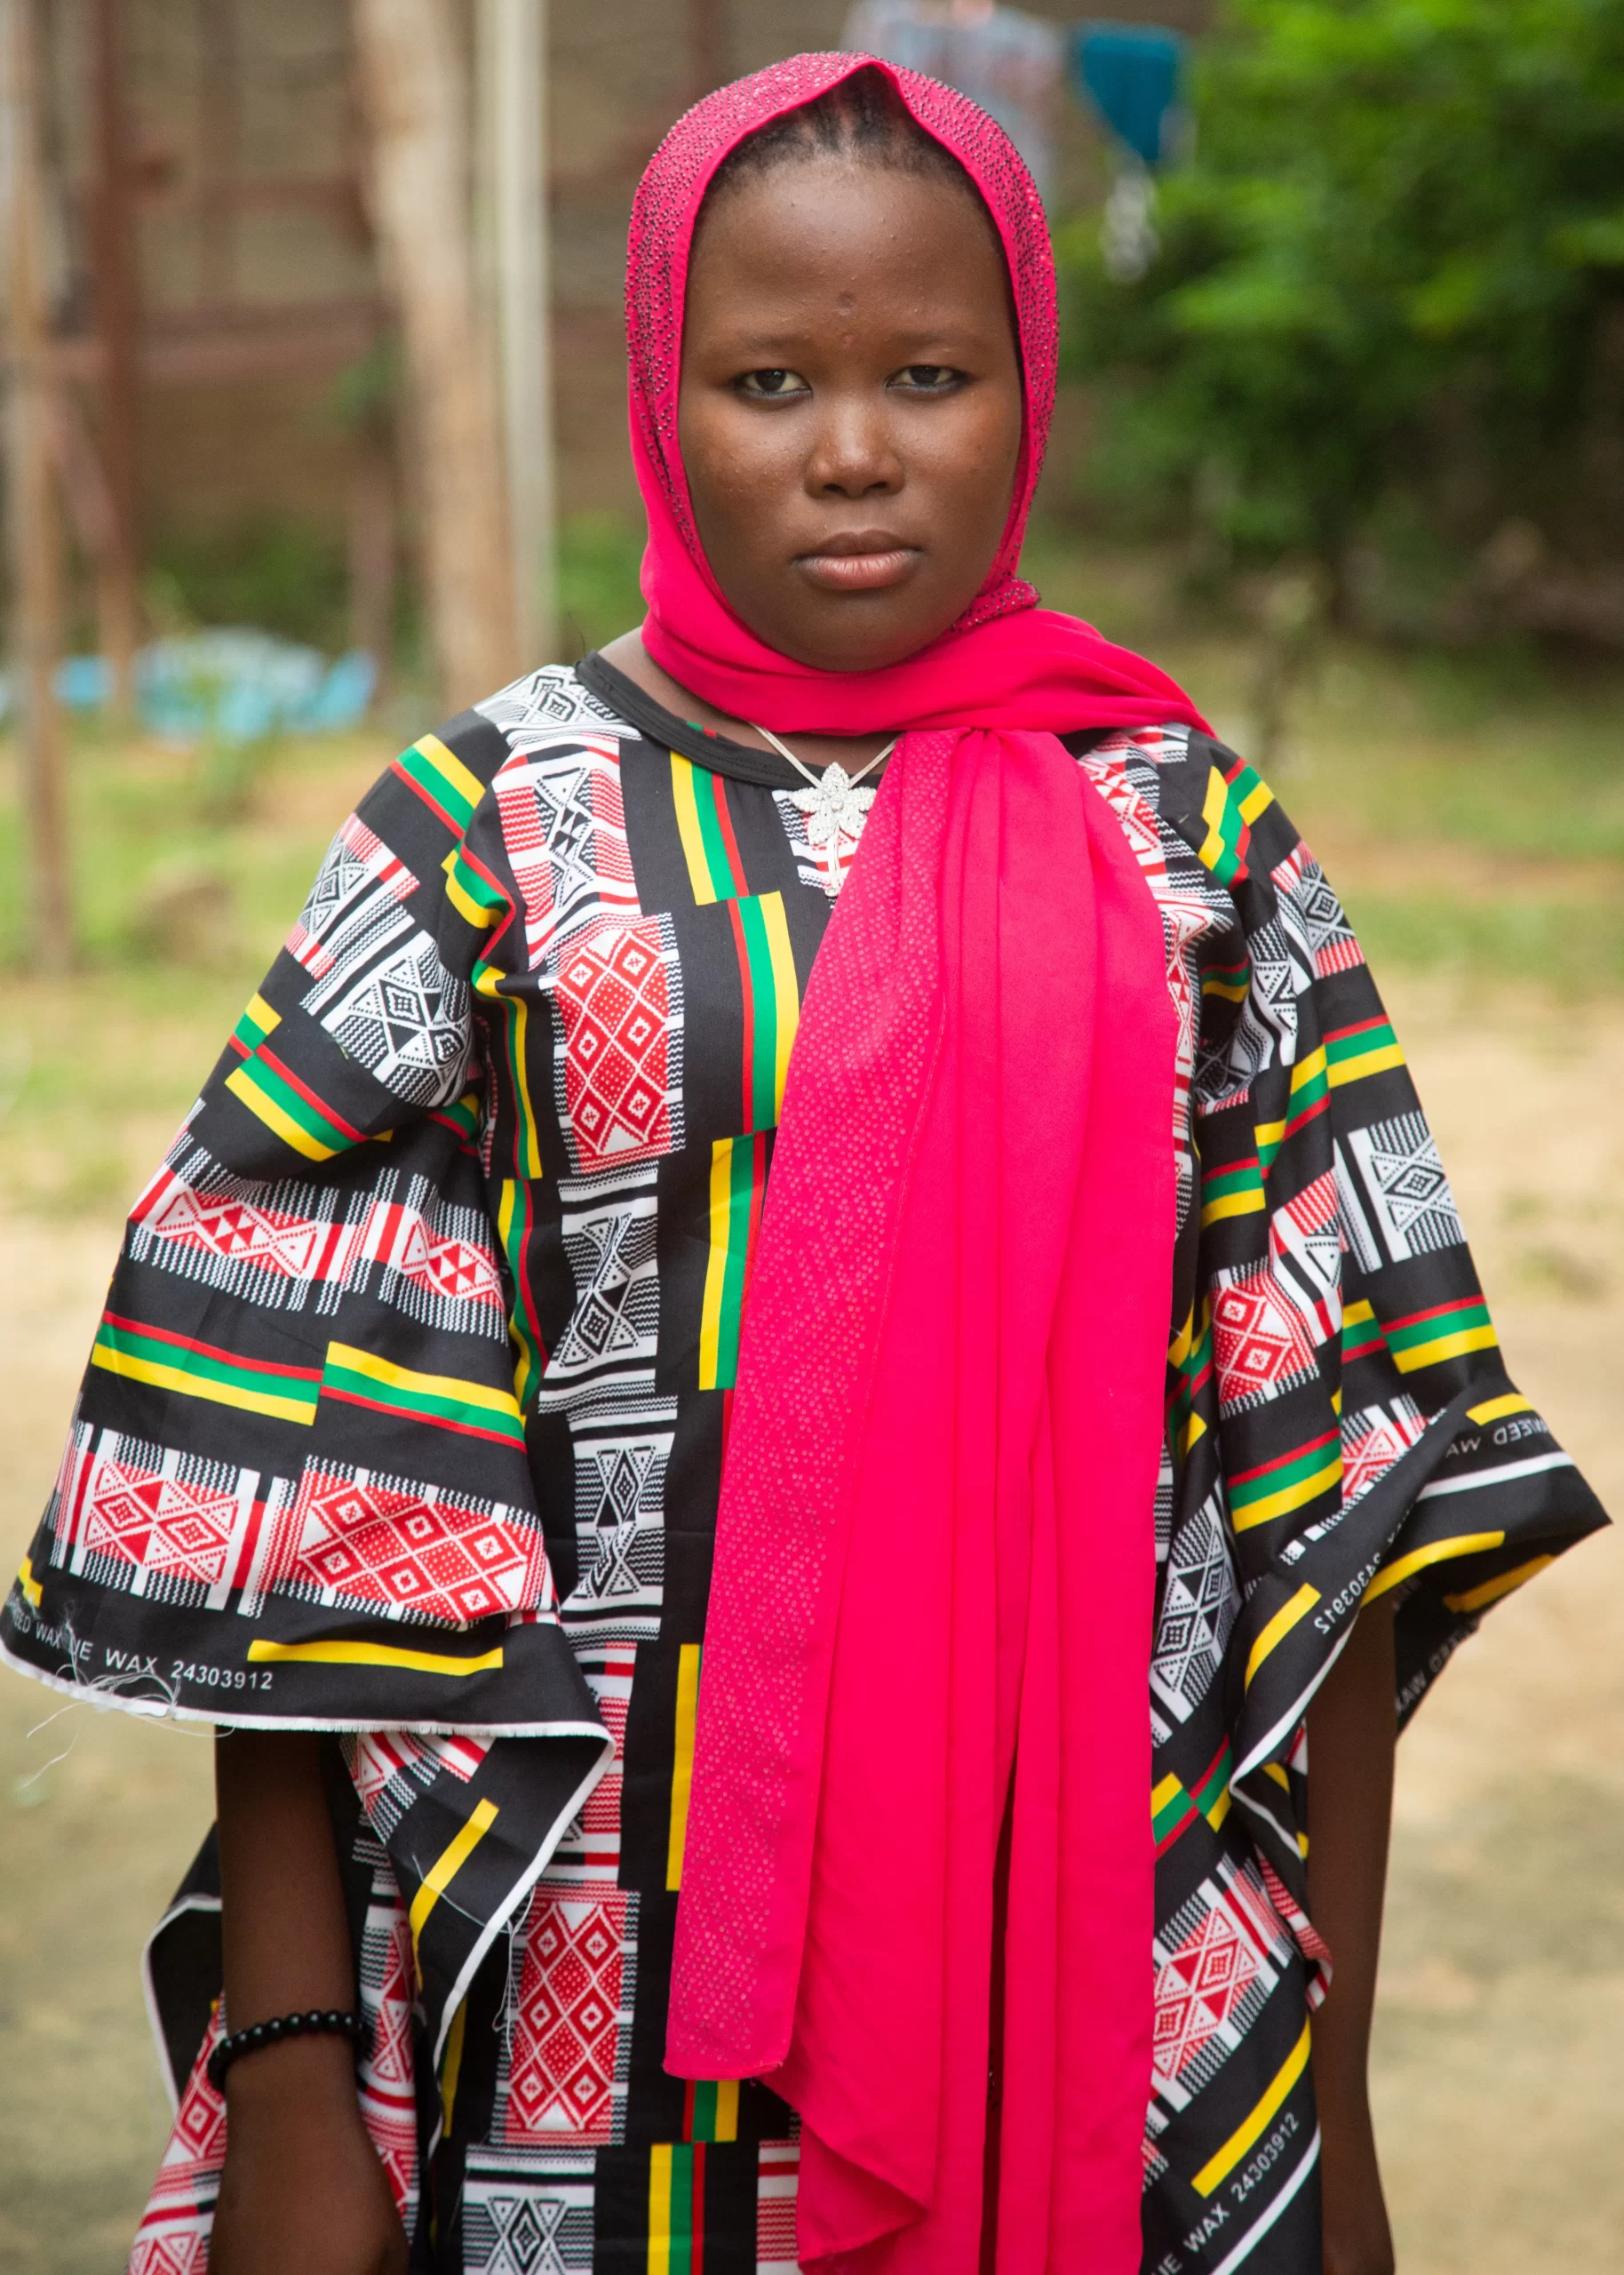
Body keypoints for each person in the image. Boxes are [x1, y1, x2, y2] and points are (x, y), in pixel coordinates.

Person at [2, 52, 1605, 2275]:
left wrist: (1323, 2109)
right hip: (587, 1985)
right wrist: (292, 2070)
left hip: (1082, 1964)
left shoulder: (1189, 840)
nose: (851, 448)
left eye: (926, 374)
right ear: (662, 402)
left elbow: (1330, 1482)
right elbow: (300, 1513)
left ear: (1025, 389)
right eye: (767, 378)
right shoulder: (488, 831)